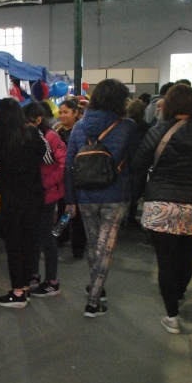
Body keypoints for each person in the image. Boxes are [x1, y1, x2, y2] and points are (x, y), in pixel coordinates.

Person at [131, 84, 192, 333]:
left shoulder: (158, 131)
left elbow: (139, 165)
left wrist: (134, 198)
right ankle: (179, 292)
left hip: (162, 204)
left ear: (169, 105)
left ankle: (172, 315)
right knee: (187, 257)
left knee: (166, 261)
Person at [64, 79, 139, 317]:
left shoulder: (79, 127)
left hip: (85, 194)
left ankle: (96, 286)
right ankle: (93, 301)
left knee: (93, 244)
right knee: (106, 247)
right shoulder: (127, 126)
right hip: (115, 194)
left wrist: (70, 199)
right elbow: (135, 162)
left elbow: (68, 167)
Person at [0, 97, 52, 308]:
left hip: (11, 199)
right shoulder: (34, 133)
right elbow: (48, 158)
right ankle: (25, 288)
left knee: (14, 245)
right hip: (34, 197)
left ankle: (18, 293)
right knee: (30, 243)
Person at [23, 102, 66, 298]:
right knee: (33, 235)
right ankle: (33, 275)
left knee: (47, 238)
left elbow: (64, 164)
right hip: (35, 194)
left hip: (48, 195)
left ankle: (52, 281)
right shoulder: (35, 136)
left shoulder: (50, 137)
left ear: (38, 120)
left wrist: (45, 183)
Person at [54, 98, 86, 259]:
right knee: (62, 209)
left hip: (80, 178)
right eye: (60, 112)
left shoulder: (82, 131)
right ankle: (61, 237)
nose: (62, 116)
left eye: (66, 112)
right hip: (61, 179)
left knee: (78, 213)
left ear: (76, 113)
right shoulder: (57, 131)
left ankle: (78, 247)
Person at [125, 99, 150, 225]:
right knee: (136, 190)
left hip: (125, 161)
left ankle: (123, 216)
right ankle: (131, 217)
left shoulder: (124, 125)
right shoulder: (146, 127)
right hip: (140, 163)